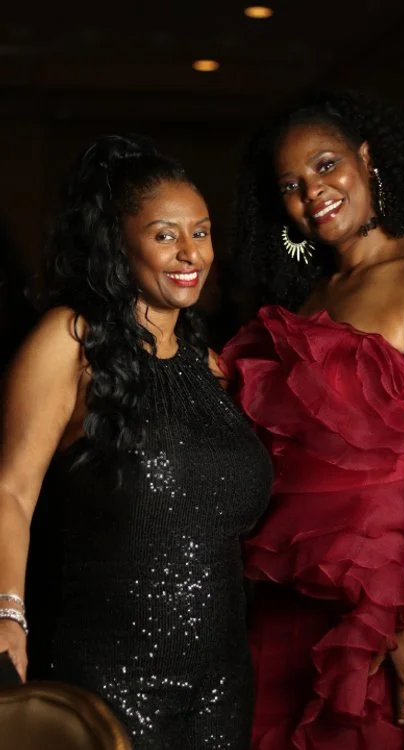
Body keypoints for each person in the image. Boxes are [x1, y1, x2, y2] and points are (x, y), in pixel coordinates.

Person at [221, 90, 404, 750]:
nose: (312, 192)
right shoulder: (310, 298)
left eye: (326, 165)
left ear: (366, 159)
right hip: (308, 585)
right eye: (290, 185)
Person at [0, 135, 272, 749]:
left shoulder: (211, 368)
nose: (190, 253)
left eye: (200, 233)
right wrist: (7, 615)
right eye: (165, 235)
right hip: (108, 679)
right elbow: (11, 491)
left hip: (223, 687)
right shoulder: (71, 341)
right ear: (118, 243)